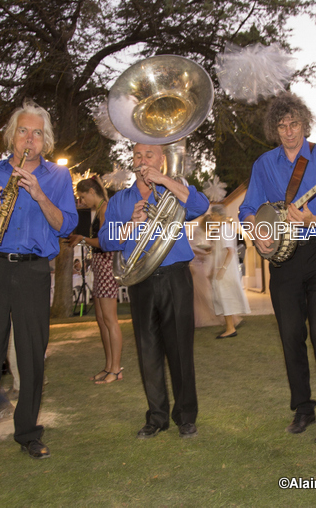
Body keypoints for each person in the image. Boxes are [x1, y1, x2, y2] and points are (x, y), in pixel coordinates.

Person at [0, 100, 78, 476]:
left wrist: (40, 195)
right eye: (24, 131)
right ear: (12, 135)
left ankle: (27, 432)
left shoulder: (58, 177)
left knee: (31, 356)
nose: (30, 138)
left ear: (46, 140)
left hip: (33, 271)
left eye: (37, 133)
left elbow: (65, 225)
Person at [239, 91, 316, 443]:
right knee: (290, 334)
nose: (289, 131)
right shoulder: (264, 164)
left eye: (294, 124)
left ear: (304, 123)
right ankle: (302, 409)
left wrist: (314, 218)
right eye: (282, 125)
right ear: (275, 129)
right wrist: (257, 232)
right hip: (284, 261)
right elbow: (248, 209)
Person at [100, 142, 209, 440]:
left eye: (149, 155)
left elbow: (200, 206)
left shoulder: (174, 190)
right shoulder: (120, 200)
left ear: (161, 159)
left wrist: (164, 181)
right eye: (138, 155)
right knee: (147, 350)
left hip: (175, 276)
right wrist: (130, 225)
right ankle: (157, 417)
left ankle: (186, 417)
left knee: (180, 350)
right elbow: (105, 240)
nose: (143, 160)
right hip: (140, 281)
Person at [68, 177, 123, 385]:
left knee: (110, 320)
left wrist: (82, 239)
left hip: (107, 266)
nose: (82, 202)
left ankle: (116, 369)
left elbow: (105, 242)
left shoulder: (105, 209)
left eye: (83, 197)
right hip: (100, 265)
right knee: (101, 319)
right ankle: (109, 366)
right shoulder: (100, 209)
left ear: (92, 191)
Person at [202, 206, 250, 338]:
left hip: (226, 271)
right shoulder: (222, 229)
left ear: (219, 215)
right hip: (222, 269)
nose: (211, 217)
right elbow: (223, 249)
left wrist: (222, 269)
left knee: (225, 298)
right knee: (223, 298)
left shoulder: (225, 229)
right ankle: (230, 326)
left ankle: (230, 328)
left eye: (213, 214)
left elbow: (231, 251)